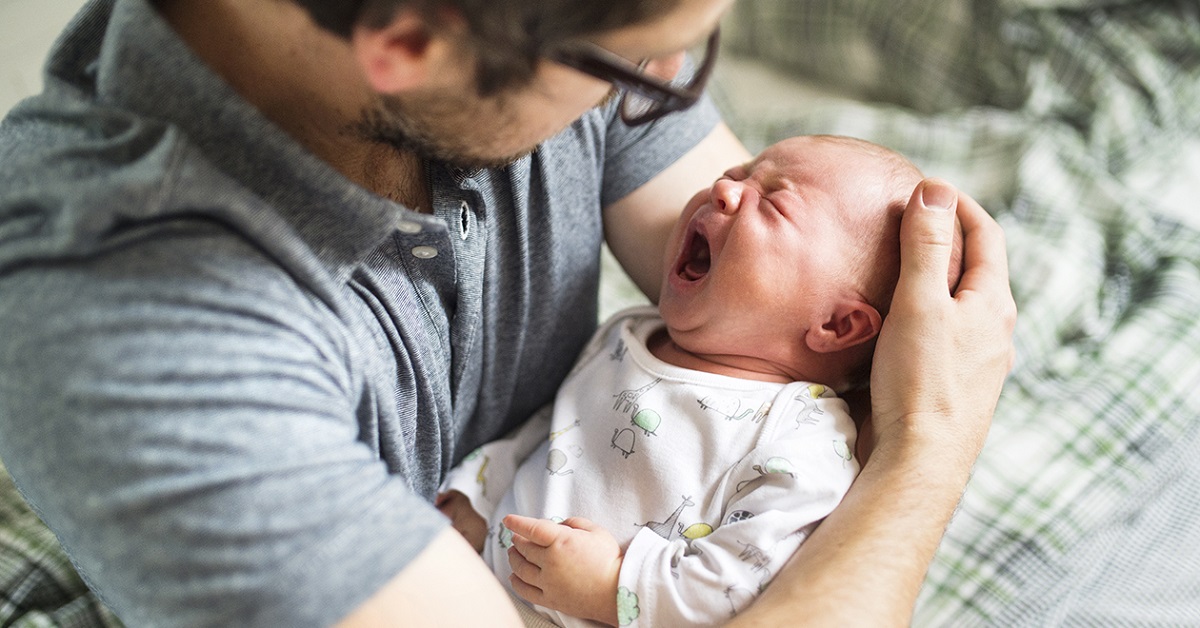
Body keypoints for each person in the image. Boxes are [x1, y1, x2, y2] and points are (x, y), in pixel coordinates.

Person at [0, 0, 1016, 626]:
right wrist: (929, 444)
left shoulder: (535, 42)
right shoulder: (131, 341)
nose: (666, 91)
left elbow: (780, 318)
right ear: (408, 40)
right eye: (641, 62)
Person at [436, 135, 963, 626]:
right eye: (741, 171)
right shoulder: (631, 333)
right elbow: (556, 429)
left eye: (775, 202)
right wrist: (480, 493)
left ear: (835, 325)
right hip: (468, 584)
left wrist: (613, 585)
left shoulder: (804, 438)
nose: (725, 189)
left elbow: (741, 581)